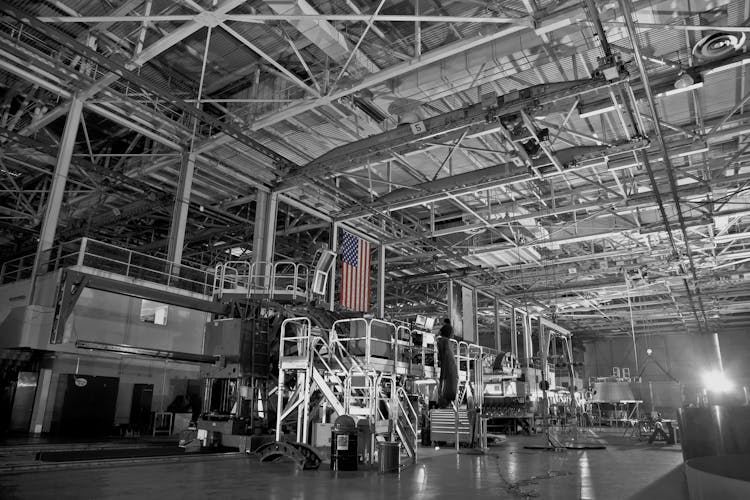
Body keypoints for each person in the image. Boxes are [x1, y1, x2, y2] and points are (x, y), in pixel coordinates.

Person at [437, 318, 458, 408]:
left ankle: (444, 401)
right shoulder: (451, 329)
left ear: (445, 322)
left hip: (444, 347)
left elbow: (438, 334)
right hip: (449, 353)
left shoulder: (444, 330)